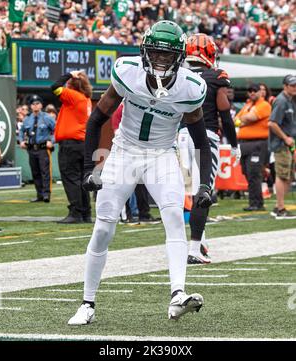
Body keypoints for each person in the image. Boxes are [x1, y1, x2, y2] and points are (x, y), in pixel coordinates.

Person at [68, 20, 213, 325]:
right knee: (104, 227)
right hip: (124, 152)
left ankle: (177, 295)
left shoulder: (190, 87)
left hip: (161, 155)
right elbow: (96, 120)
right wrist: (90, 167)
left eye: (167, 55)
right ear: (145, 51)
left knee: (174, 216)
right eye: (156, 53)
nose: (161, 60)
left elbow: (200, 139)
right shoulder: (127, 72)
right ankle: (87, 302)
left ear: (180, 57)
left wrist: (203, 184)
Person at [180, 33, 240, 265]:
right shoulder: (216, 76)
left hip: (182, 136)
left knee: (190, 192)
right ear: (208, 53)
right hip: (206, 137)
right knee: (203, 192)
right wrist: (234, 144)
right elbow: (224, 112)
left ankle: (198, 242)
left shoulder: (180, 75)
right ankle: (195, 248)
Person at [51, 70, 93, 224]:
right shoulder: (86, 99)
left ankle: (75, 213)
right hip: (82, 144)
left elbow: (54, 86)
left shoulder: (73, 96)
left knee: (71, 179)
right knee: (81, 179)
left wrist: (69, 74)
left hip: (70, 144)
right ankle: (85, 213)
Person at [234, 83, 271, 211]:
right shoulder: (248, 105)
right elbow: (236, 119)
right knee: (247, 173)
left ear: (260, 92)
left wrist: (242, 121)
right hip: (244, 144)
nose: (252, 93)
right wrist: (244, 121)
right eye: (250, 91)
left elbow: (252, 117)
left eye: (254, 91)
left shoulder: (264, 105)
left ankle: (257, 203)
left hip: (258, 143)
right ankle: (254, 202)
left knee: (254, 173)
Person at [268, 74, 296, 219]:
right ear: (285, 86)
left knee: (288, 176)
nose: (295, 88)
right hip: (281, 144)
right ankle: (280, 208)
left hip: (289, 144)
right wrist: (285, 138)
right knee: (282, 175)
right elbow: (272, 123)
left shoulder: (290, 100)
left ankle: (279, 206)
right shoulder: (281, 101)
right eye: (292, 85)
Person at [19, 95, 55, 203]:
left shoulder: (47, 117)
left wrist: (51, 141)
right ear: (30, 106)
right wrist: (21, 141)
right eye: (33, 104)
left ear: (41, 105)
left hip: (43, 148)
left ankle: (46, 195)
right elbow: (21, 131)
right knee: (35, 173)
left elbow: (56, 130)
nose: (35, 106)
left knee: (45, 172)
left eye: (37, 103)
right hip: (31, 149)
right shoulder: (27, 119)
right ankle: (39, 195)